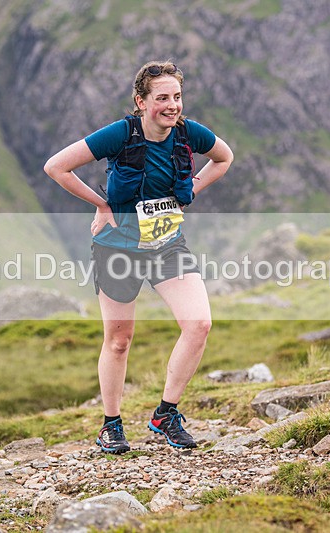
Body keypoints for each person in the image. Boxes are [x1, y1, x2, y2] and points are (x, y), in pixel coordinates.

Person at [44, 60, 233, 453]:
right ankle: (111, 425)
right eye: (162, 98)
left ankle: (166, 414)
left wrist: (191, 190)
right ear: (141, 101)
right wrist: (102, 204)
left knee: (198, 325)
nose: (172, 105)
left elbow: (224, 157)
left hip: (167, 246)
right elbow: (56, 167)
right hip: (118, 248)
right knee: (119, 340)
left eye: (177, 96)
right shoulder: (121, 134)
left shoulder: (188, 133)